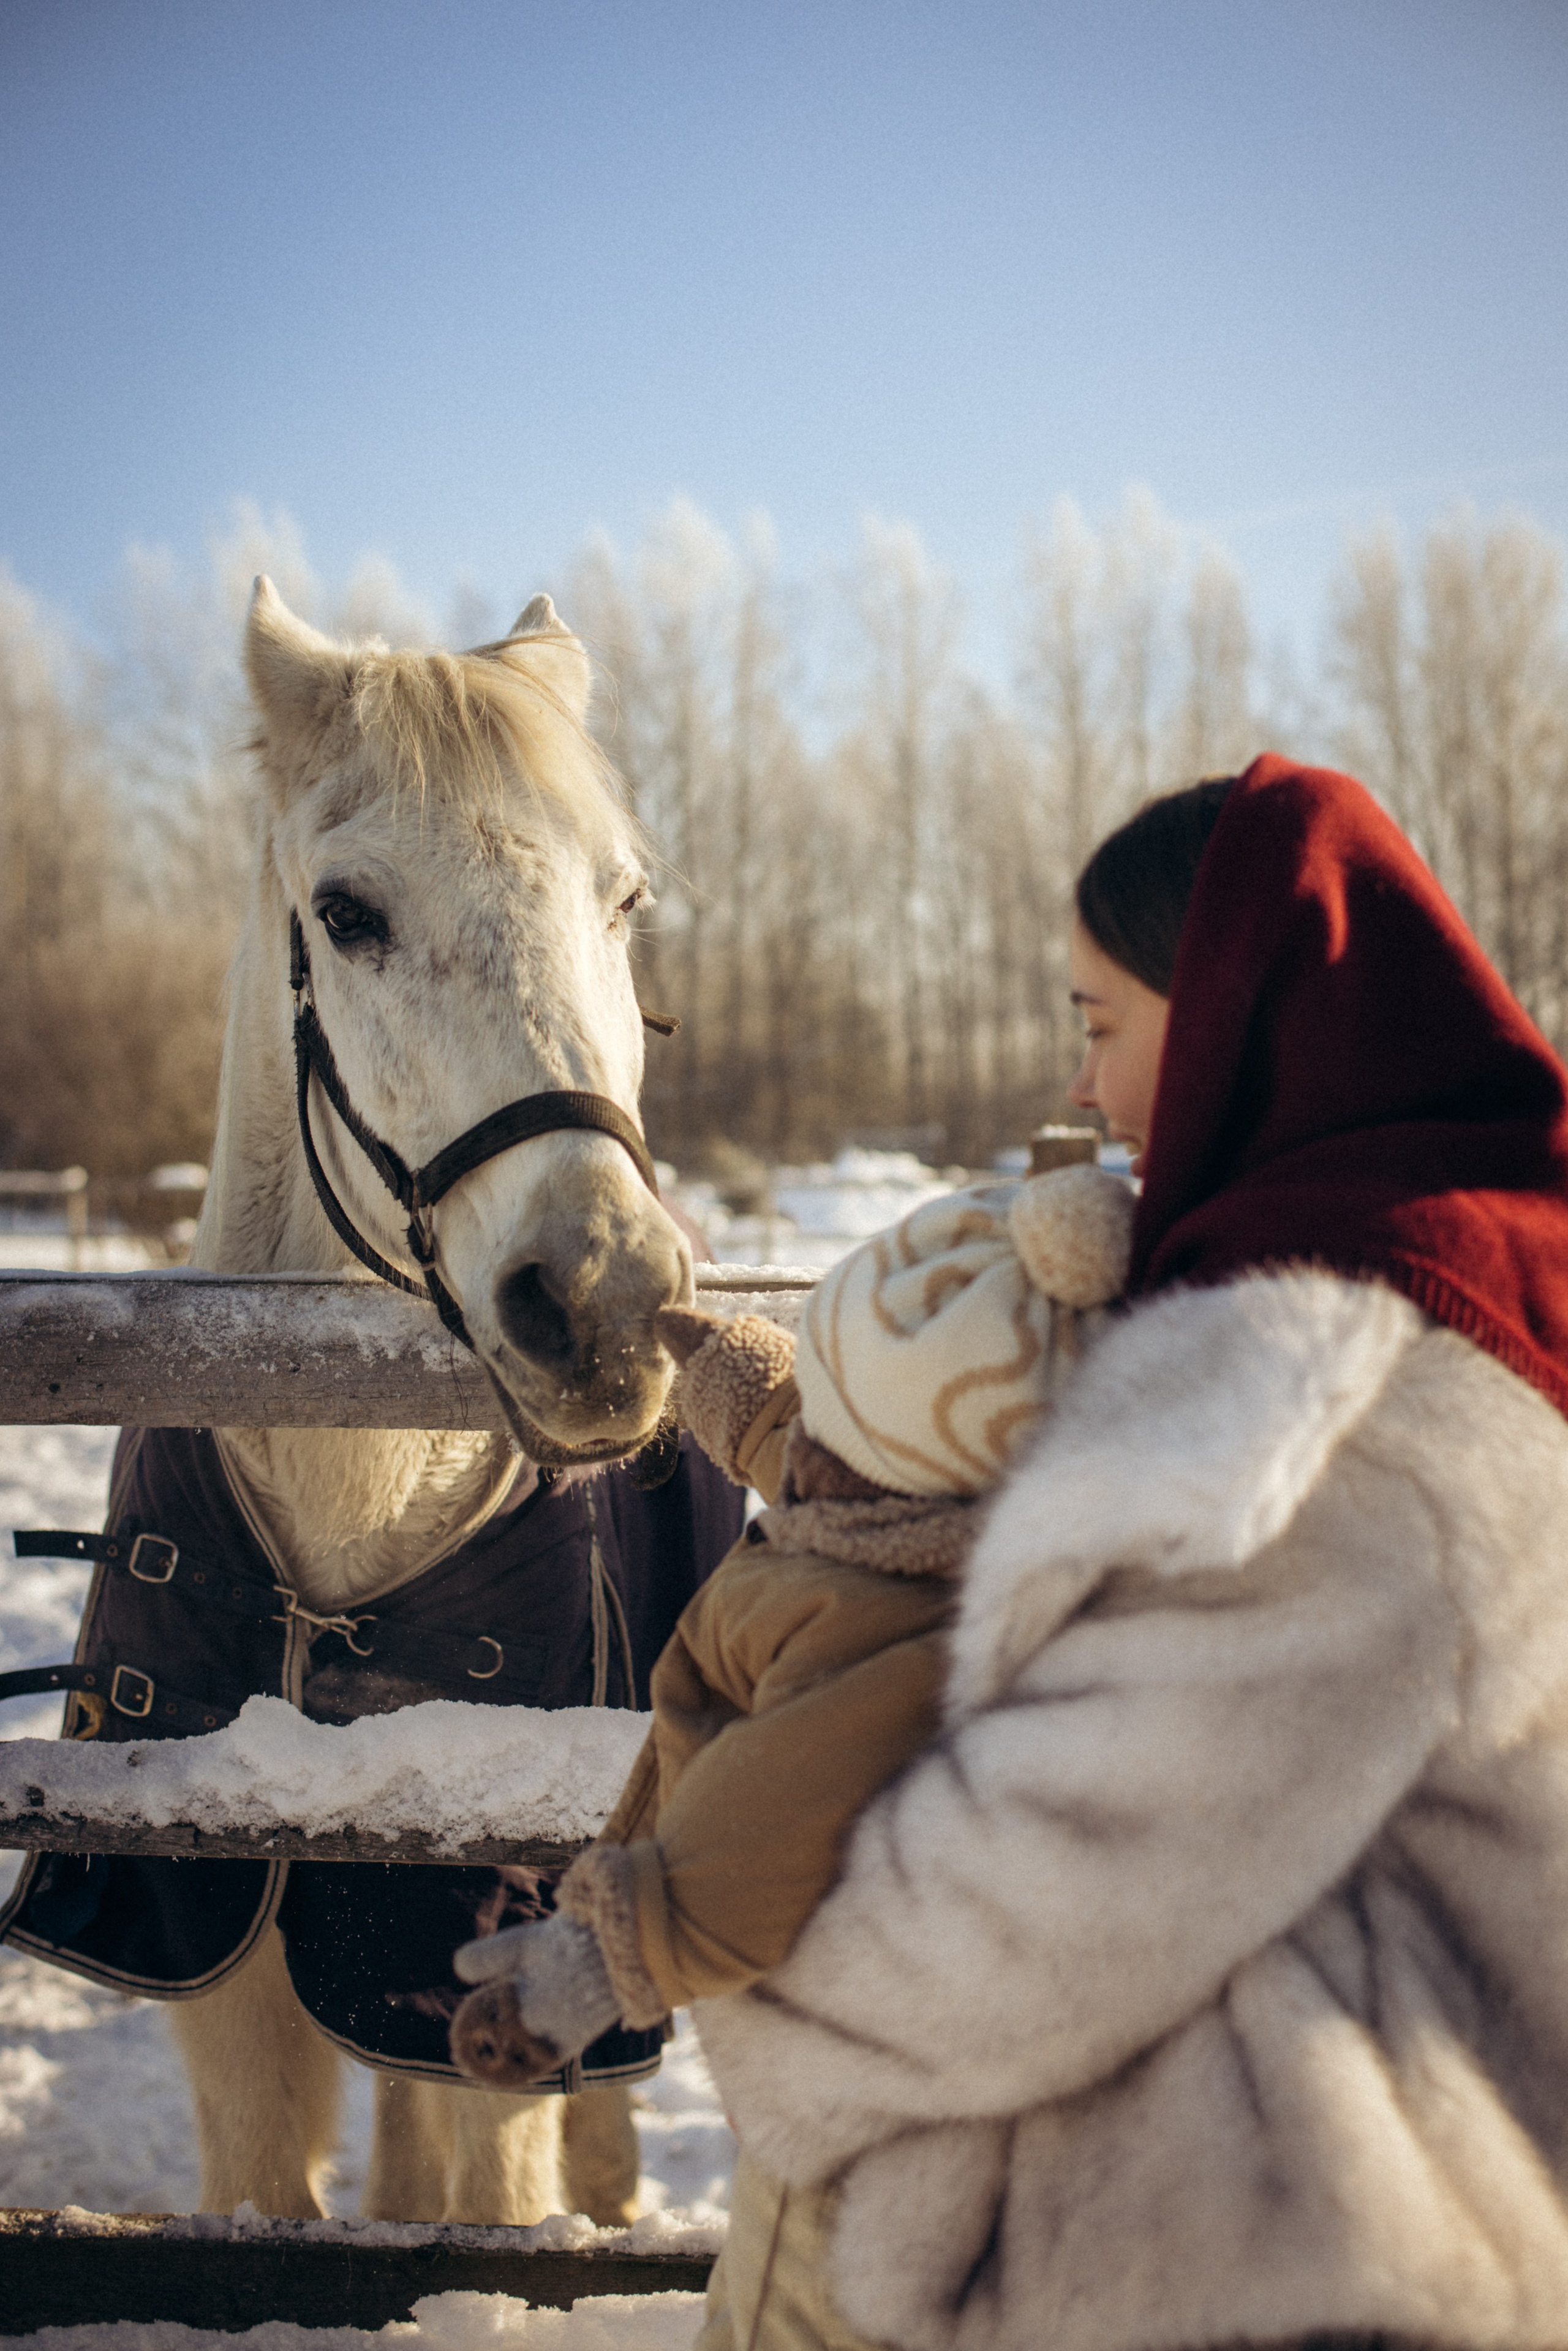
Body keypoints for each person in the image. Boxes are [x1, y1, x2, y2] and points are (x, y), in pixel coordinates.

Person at [684, 752, 1568, 2351]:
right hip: (1335, 2159)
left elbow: (1078, 1865)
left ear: (1234, 1010)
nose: (1084, 1091)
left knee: (801, 2239)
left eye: (1101, 1024)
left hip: (1286, 2230)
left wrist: (759, 1970)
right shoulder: (1427, 1264)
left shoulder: (1339, 1388)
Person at [443, 1166, 1136, 2268]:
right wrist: (728, 1371)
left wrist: (594, 1960)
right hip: (886, 2047)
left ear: (886, 1455)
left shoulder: (876, 1639)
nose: (808, 1439)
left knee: (785, 2300)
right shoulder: (897, 1506)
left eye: (837, 1405)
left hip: (846, 2061)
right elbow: (802, 1439)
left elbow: (751, 1844)